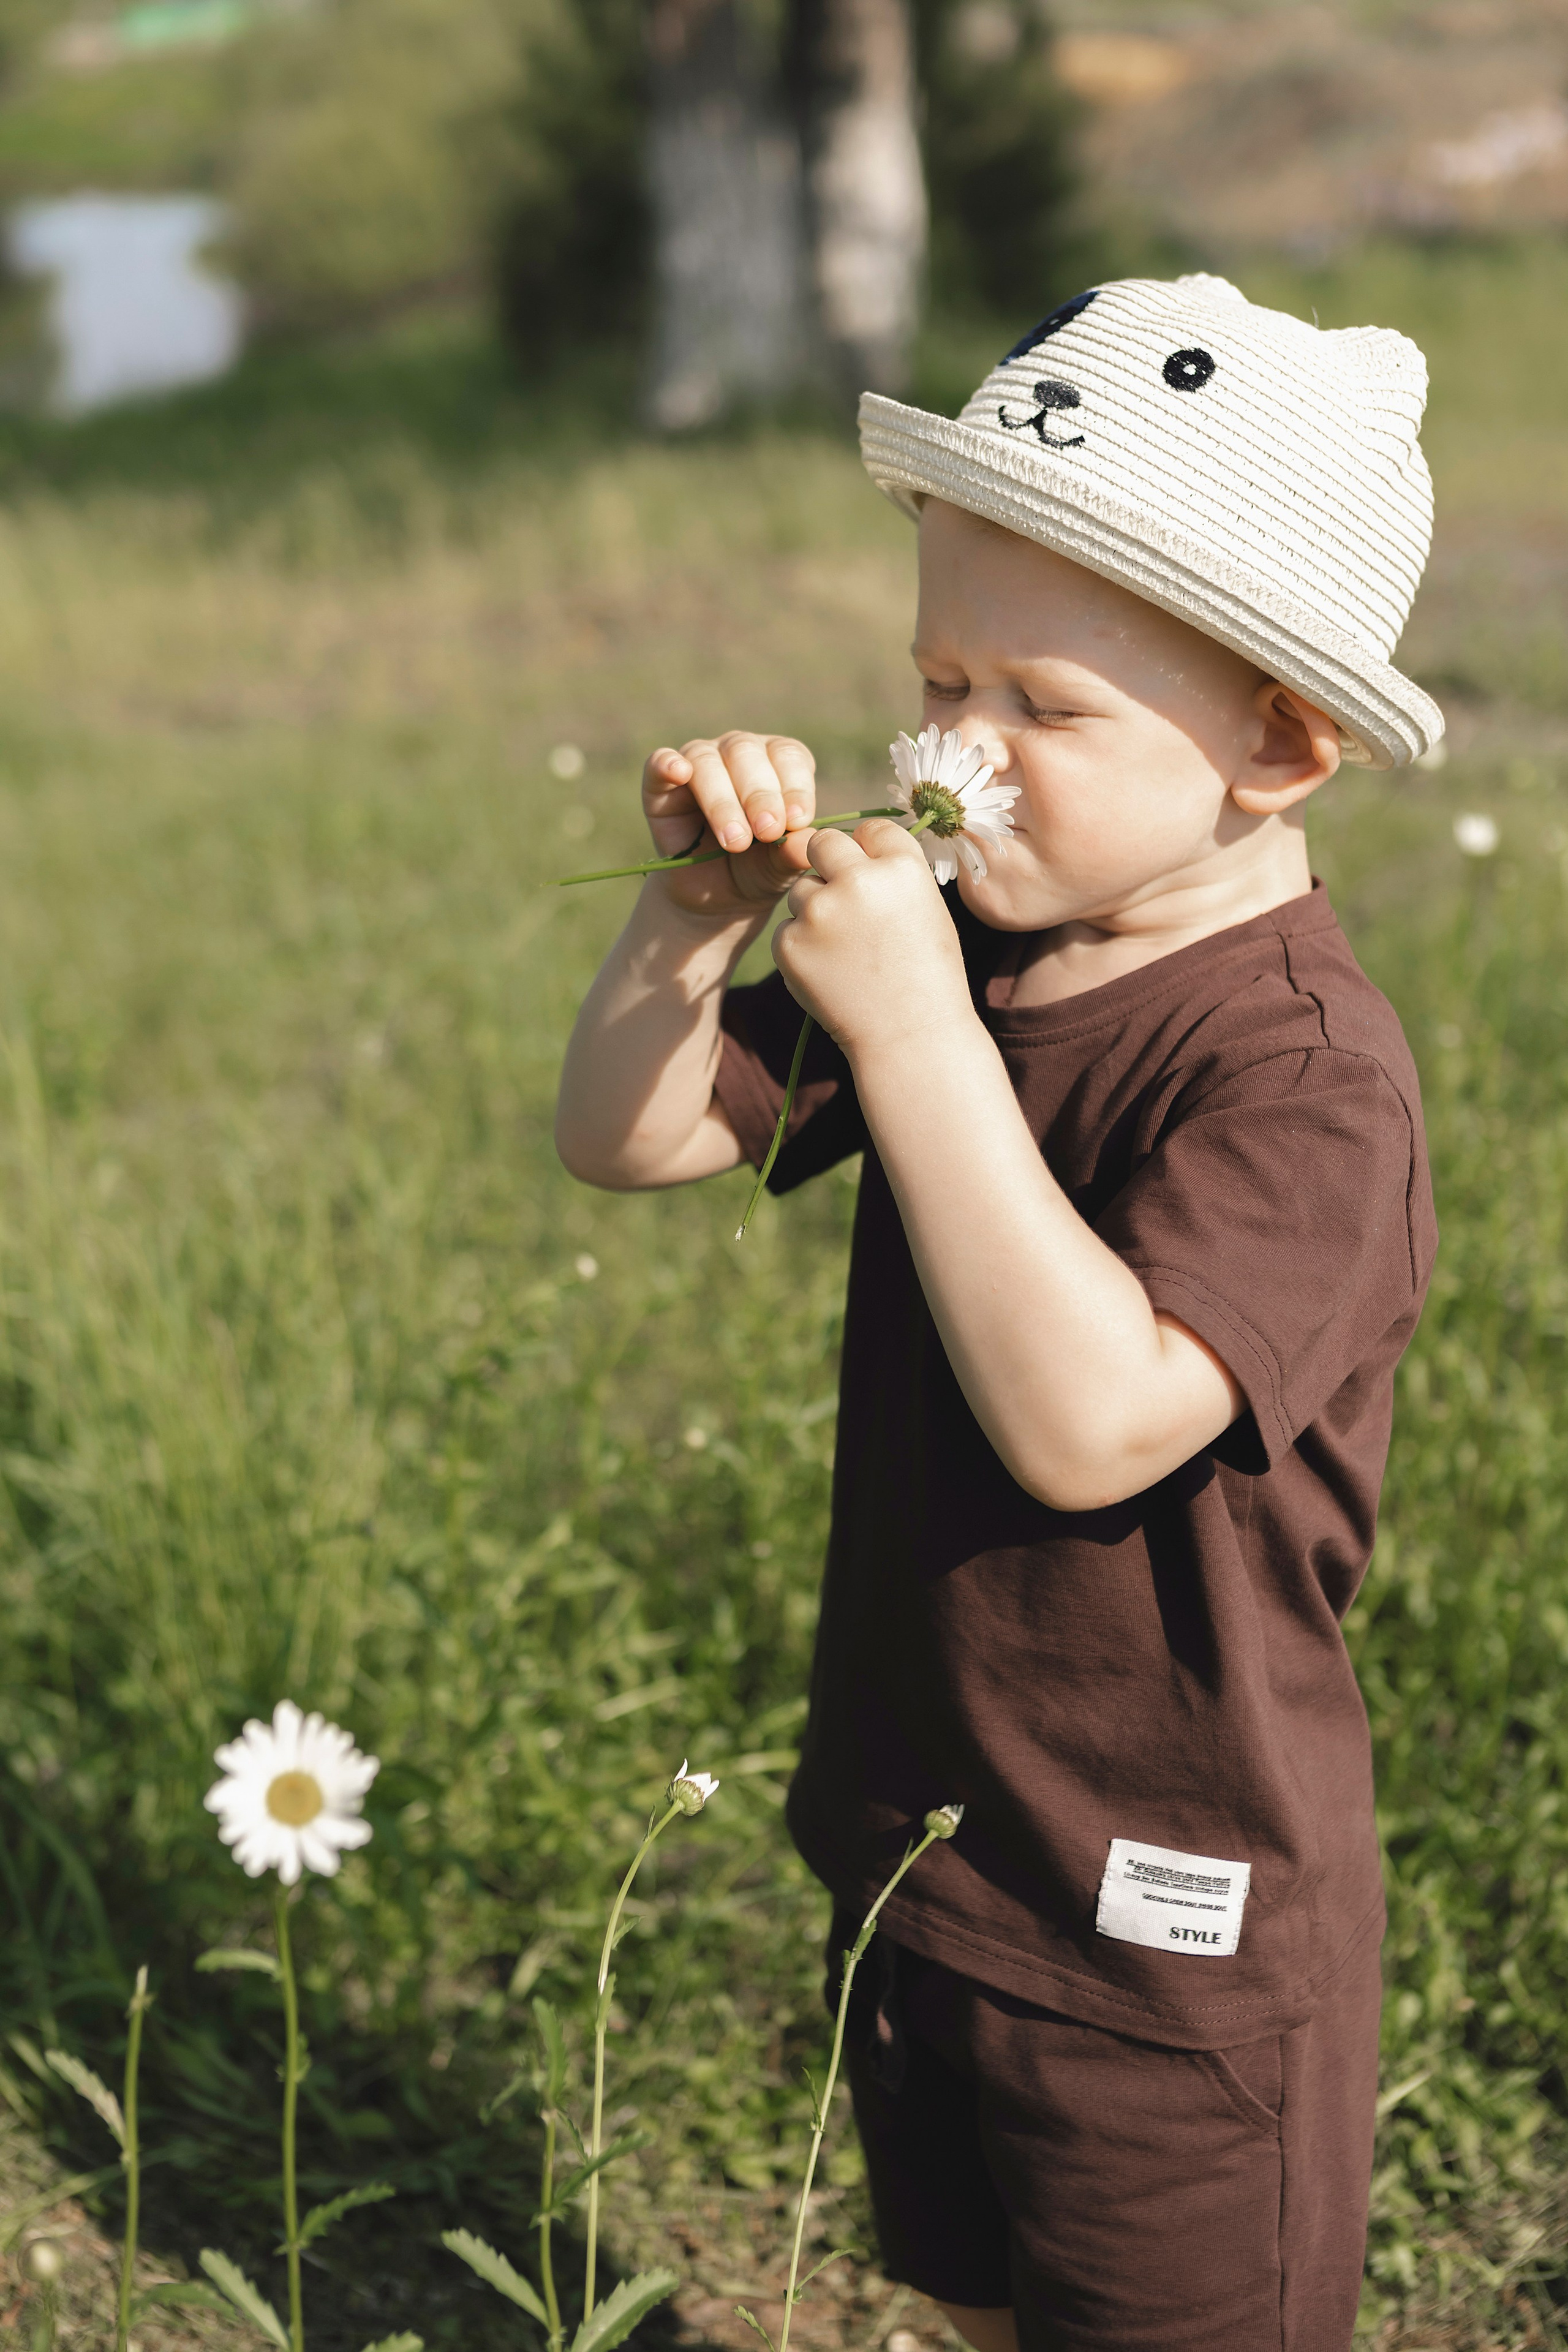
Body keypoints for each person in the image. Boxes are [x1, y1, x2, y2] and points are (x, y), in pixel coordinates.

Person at [555, 274, 1441, 2352]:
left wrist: (924, 1039)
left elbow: (1097, 1420)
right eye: (940, 676)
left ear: (1281, 749)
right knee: (982, 2295)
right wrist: (694, 928)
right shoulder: (967, 948)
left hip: (1172, 1923)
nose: (953, 751)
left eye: (1042, 707)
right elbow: (639, 1140)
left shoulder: (1302, 1075)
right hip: (934, 1833)